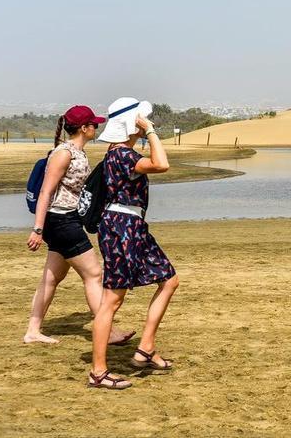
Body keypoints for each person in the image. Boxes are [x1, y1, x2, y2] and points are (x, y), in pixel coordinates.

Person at [88, 97, 179, 390]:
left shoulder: (119, 154)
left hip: (133, 225)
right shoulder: (122, 156)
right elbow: (162, 164)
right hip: (121, 227)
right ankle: (98, 372)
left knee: (169, 280)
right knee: (111, 300)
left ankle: (147, 346)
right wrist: (150, 130)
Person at [24, 105, 135, 345]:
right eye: (93, 124)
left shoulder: (78, 152)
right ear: (83, 128)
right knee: (94, 274)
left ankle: (33, 330)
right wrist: (38, 229)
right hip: (61, 221)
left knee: (52, 278)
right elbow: (46, 191)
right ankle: (108, 331)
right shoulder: (64, 153)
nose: (97, 127)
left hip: (66, 219)